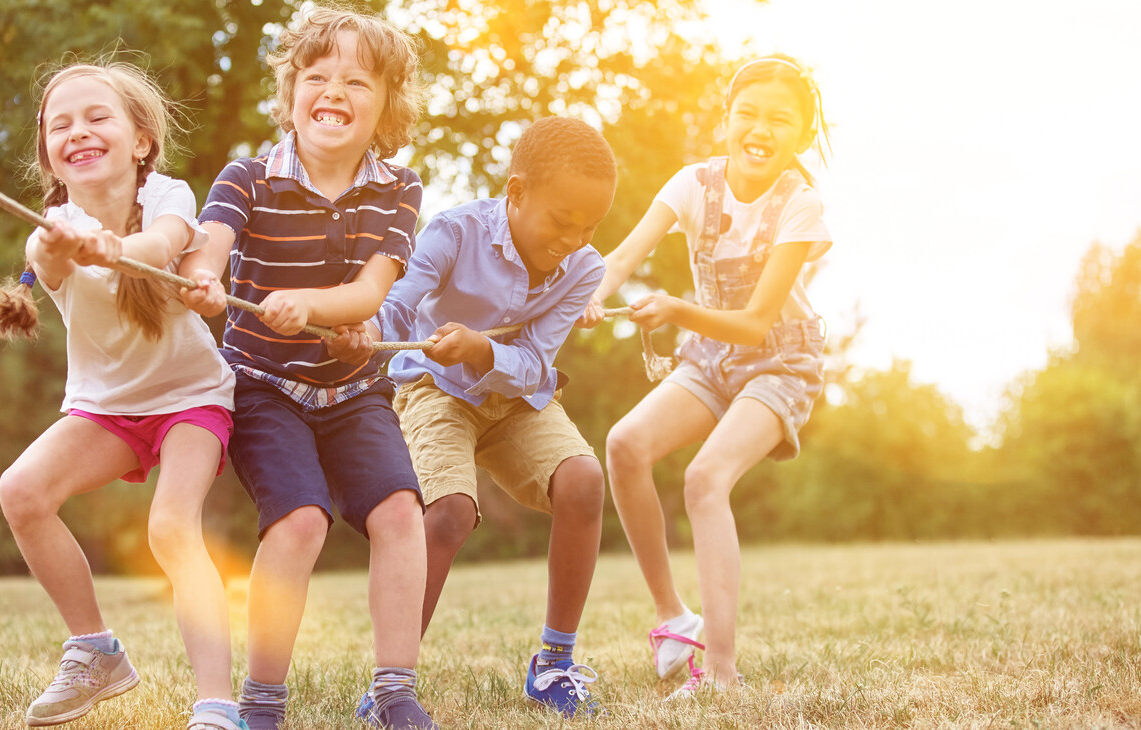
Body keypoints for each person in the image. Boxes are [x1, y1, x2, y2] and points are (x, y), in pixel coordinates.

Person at [177, 7, 435, 730]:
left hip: (354, 391)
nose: (334, 91)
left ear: (387, 104)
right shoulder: (248, 175)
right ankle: (261, 703)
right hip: (262, 387)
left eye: (358, 81)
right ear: (291, 92)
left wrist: (311, 305)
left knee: (399, 513)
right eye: (317, 76)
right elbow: (212, 242)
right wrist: (199, 275)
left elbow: (368, 292)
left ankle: (394, 692)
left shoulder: (399, 189)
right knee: (297, 524)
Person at [0, 60, 248, 730]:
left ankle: (217, 705)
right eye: (59, 125)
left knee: (169, 527)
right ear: (48, 152)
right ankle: (95, 650)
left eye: (97, 117)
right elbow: (48, 259)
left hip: (191, 398)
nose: (77, 132)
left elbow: (161, 244)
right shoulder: (49, 229)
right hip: (106, 409)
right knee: (21, 491)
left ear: (140, 140)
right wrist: (72, 247)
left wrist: (116, 245)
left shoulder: (168, 196)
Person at [329, 116, 617, 718]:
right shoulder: (454, 232)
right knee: (450, 512)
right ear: (516, 192)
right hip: (435, 389)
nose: (572, 238)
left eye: (588, 226)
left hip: (516, 399)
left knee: (585, 481)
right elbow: (401, 303)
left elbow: (537, 365)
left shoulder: (584, 268)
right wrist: (368, 331)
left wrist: (483, 350)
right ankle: (391, 683)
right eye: (561, 221)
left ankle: (554, 664)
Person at [580, 54, 832, 698]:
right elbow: (623, 255)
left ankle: (721, 671)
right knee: (625, 445)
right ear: (725, 121)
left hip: (780, 360)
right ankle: (674, 619)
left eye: (780, 120)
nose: (761, 128)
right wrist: (591, 292)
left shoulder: (801, 206)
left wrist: (674, 307)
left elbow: (753, 323)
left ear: (801, 135)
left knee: (704, 478)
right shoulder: (692, 184)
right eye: (747, 113)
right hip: (710, 360)